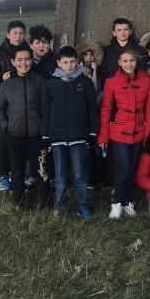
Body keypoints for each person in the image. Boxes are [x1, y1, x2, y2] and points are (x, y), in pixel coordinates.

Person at [40, 46, 99, 220]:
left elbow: (92, 109)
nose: (69, 65)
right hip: (57, 138)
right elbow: (46, 110)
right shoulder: (50, 84)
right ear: (58, 63)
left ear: (77, 62)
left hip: (78, 136)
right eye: (65, 62)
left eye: (72, 62)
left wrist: (92, 131)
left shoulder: (85, 83)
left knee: (80, 174)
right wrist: (45, 134)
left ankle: (82, 206)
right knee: (60, 175)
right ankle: (60, 207)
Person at [98, 48, 150, 219]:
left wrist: (149, 134)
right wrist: (103, 135)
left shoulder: (146, 80)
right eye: (125, 61)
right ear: (119, 63)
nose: (129, 64)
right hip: (119, 131)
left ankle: (128, 202)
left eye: (132, 60)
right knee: (124, 167)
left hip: (138, 130)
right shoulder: (111, 82)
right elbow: (106, 109)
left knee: (133, 168)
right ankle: (116, 204)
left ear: (136, 61)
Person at [0, 43, 43, 208]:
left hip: (36, 135)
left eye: (27, 59)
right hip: (14, 136)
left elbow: (47, 107)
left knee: (41, 171)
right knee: (17, 171)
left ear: (32, 60)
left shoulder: (40, 81)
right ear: (13, 62)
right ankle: (19, 202)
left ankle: (42, 200)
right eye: (19, 60)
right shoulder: (7, 84)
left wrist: (44, 127)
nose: (24, 63)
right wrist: (6, 128)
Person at [0, 19, 26, 192]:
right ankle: (4, 175)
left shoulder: (28, 51)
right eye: (15, 33)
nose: (18, 36)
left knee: (24, 140)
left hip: (24, 102)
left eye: (22, 33)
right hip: (7, 104)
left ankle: (22, 173)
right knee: (6, 140)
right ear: (7, 34)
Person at [76, 40, 105, 186]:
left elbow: (102, 90)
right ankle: (87, 176)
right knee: (84, 148)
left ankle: (99, 176)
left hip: (98, 112)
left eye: (91, 55)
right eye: (85, 55)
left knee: (98, 148)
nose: (88, 58)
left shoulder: (99, 70)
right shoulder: (77, 71)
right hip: (82, 115)